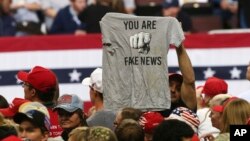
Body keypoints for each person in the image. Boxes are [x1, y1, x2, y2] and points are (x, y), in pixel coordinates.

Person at [17, 66, 62, 137]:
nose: (23, 88)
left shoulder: (22, 120)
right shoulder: (66, 118)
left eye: (25, 84)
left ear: (33, 92)